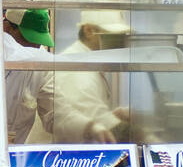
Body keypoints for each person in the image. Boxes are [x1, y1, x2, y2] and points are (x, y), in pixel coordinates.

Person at [50, 10, 132, 143]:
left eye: (121, 36)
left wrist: (114, 115)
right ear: (88, 31)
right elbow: (98, 120)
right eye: (112, 36)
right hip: (54, 157)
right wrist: (145, 135)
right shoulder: (75, 68)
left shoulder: (89, 61)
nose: (119, 42)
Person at [2, 7, 55, 144]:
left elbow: (53, 115)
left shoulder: (43, 64)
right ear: (6, 27)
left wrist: (86, 126)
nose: (35, 45)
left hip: (16, 155)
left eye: (39, 40)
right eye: (28, 37)